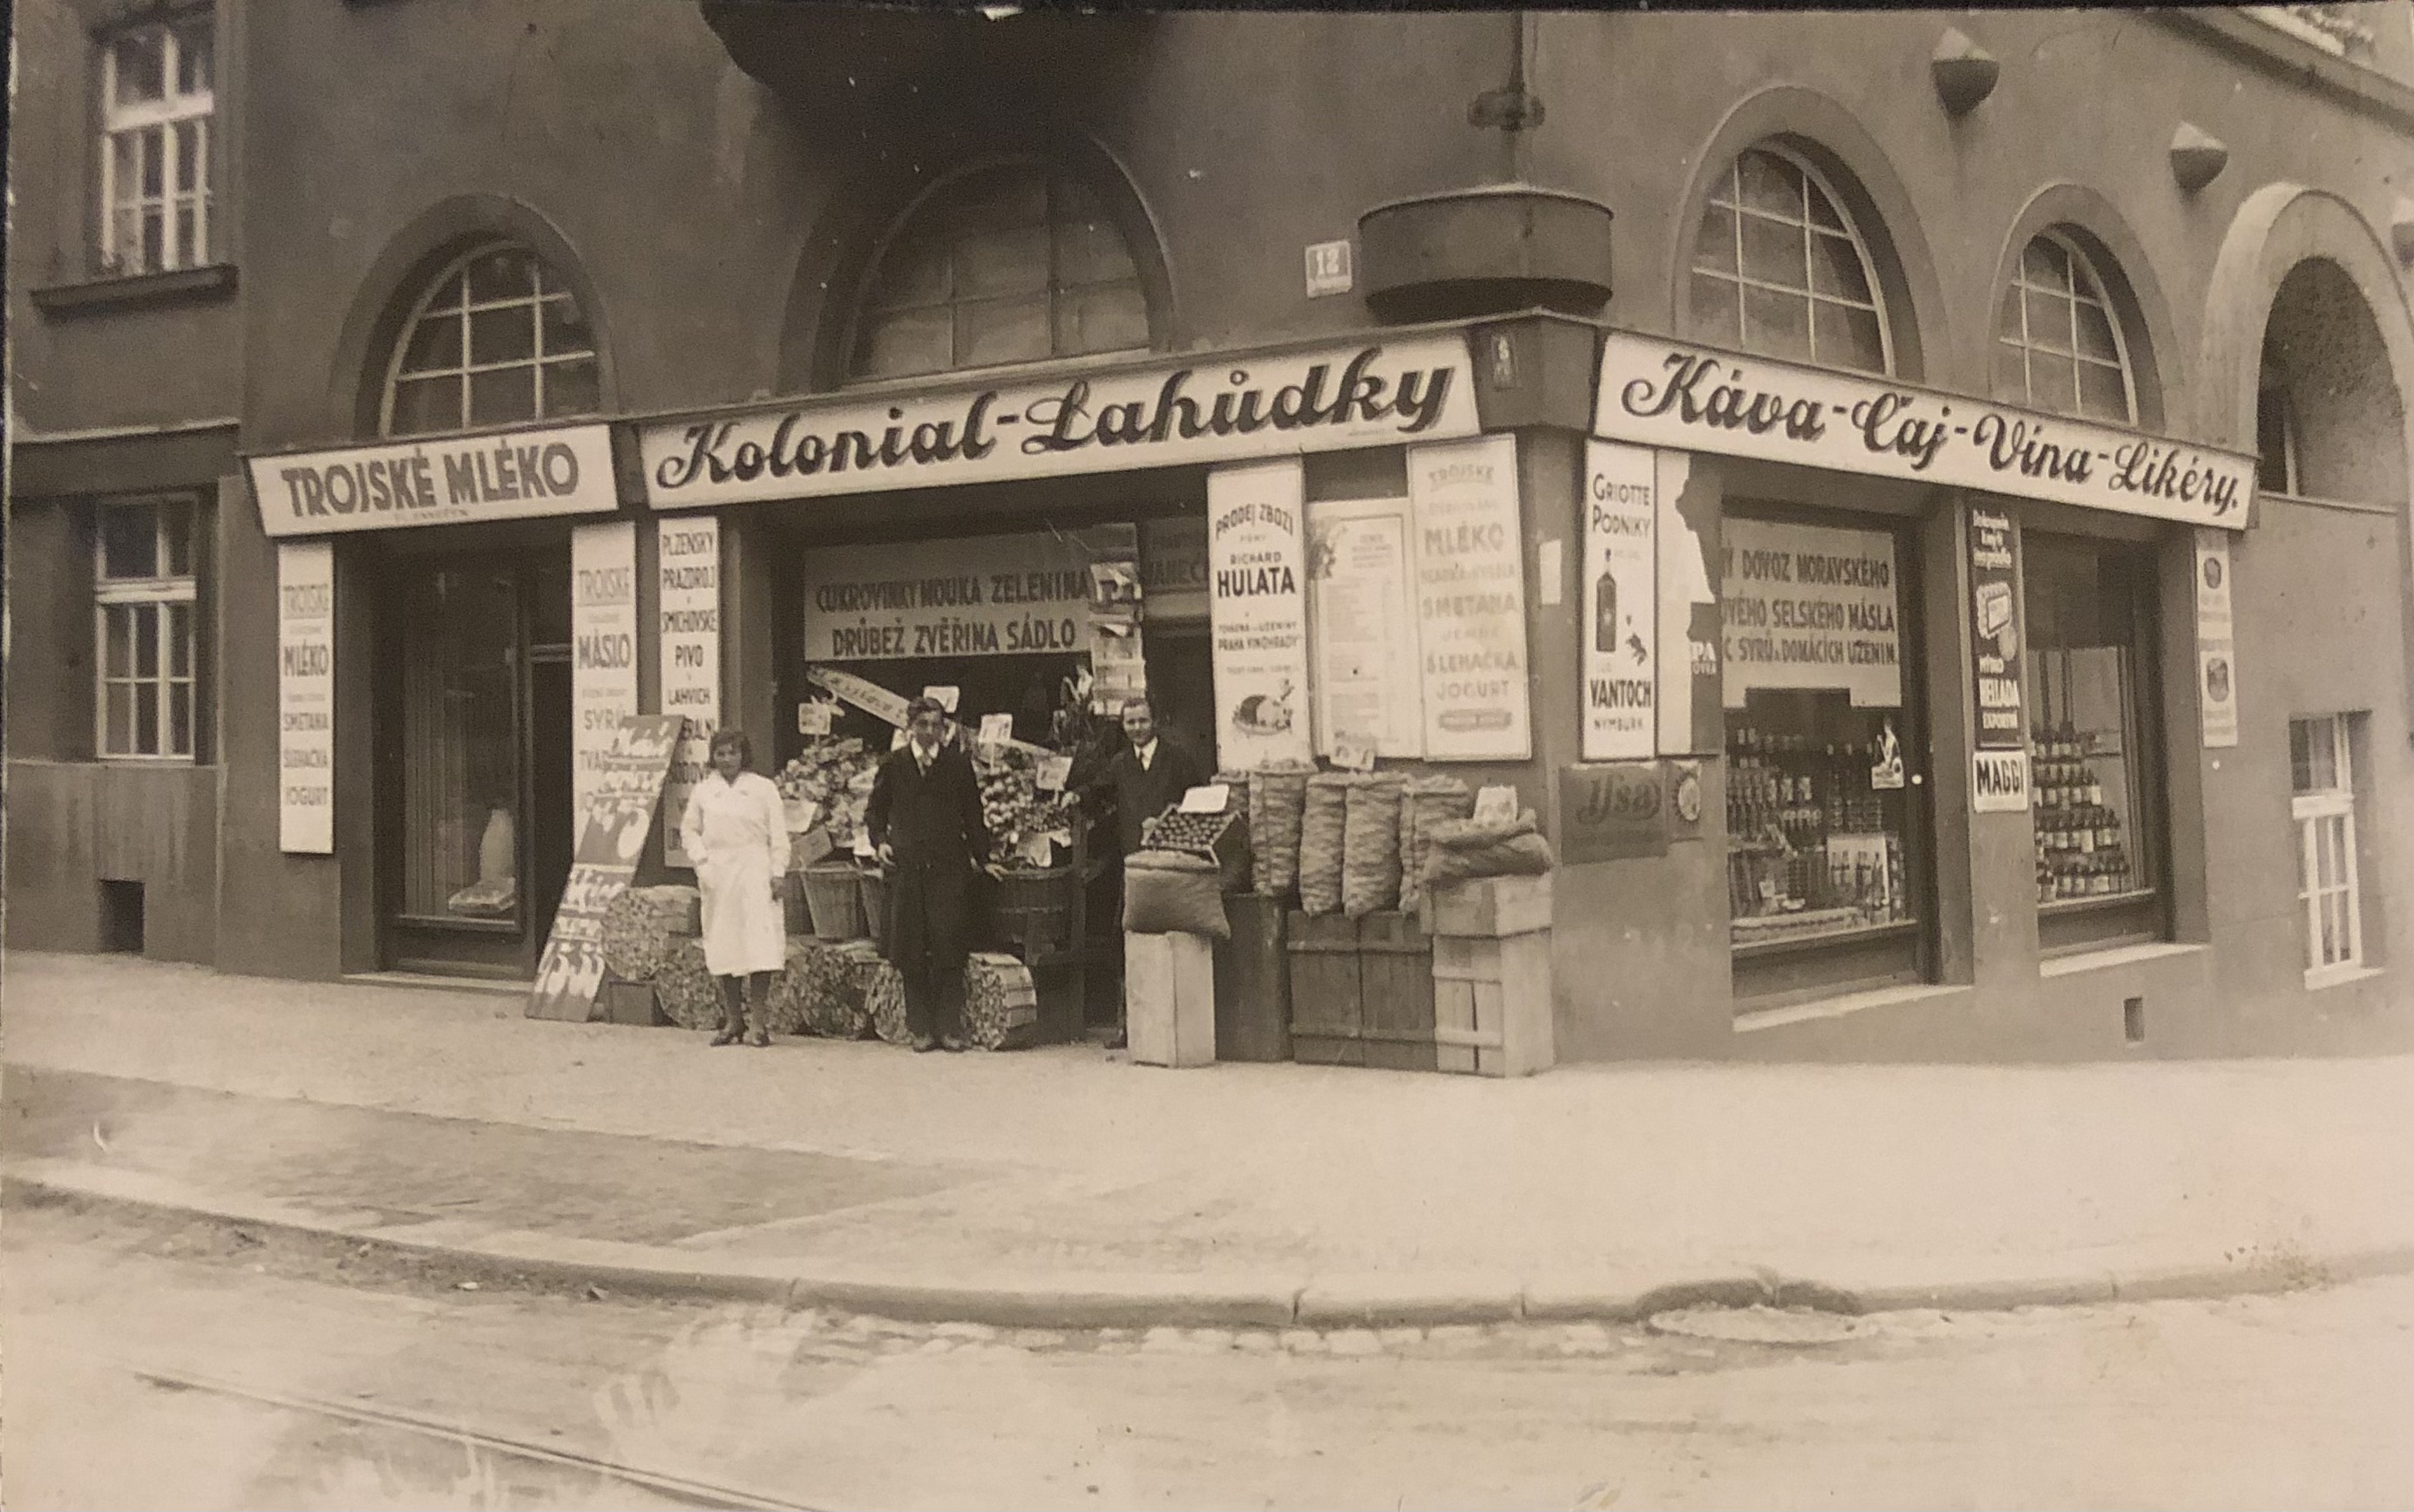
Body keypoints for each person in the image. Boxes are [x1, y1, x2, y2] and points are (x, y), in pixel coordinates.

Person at [866, 697, 995, 1053]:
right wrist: (880, 842)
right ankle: (920, 1028)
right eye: (922, 724)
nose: (929, 731)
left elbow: (973, 813)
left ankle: (949, 1028)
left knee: (949, 945)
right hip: (908, 868)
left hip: (948, 867)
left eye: (935, 725)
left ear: (943, 728)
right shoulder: (894, 764)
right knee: (911, 949)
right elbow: (875, 812)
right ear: (910, 727)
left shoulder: (957, 764)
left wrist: (983, 858)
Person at [1084, 695, 1208, 1049]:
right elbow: (1096, 792)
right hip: (1135, 866)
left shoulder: (1178, 759)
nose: (1137, 728)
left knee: (1173, 940)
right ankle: (1130, 1026)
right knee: (1128, 938)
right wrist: (1073, 795)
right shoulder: (1121, 764)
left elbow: (1199, 803)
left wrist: (1171, 822)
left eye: (1142, 720)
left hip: (1172, 865)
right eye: (1130, 722)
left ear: (1154, 721)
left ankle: (1179, 1024)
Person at [680, 729, 790, 1048]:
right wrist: (702, 861)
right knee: (723, 943)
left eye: (733, 753)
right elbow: (689, 831)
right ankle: (733, 1021)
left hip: (755, 869)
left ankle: (758, 1024)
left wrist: (778, 871)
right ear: (713, 757)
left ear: (744, 755)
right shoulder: (704, 791)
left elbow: (779, 835)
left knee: (759, 946)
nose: (727, 759)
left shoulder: (763, 788)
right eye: (721, 753)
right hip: (718, 873)